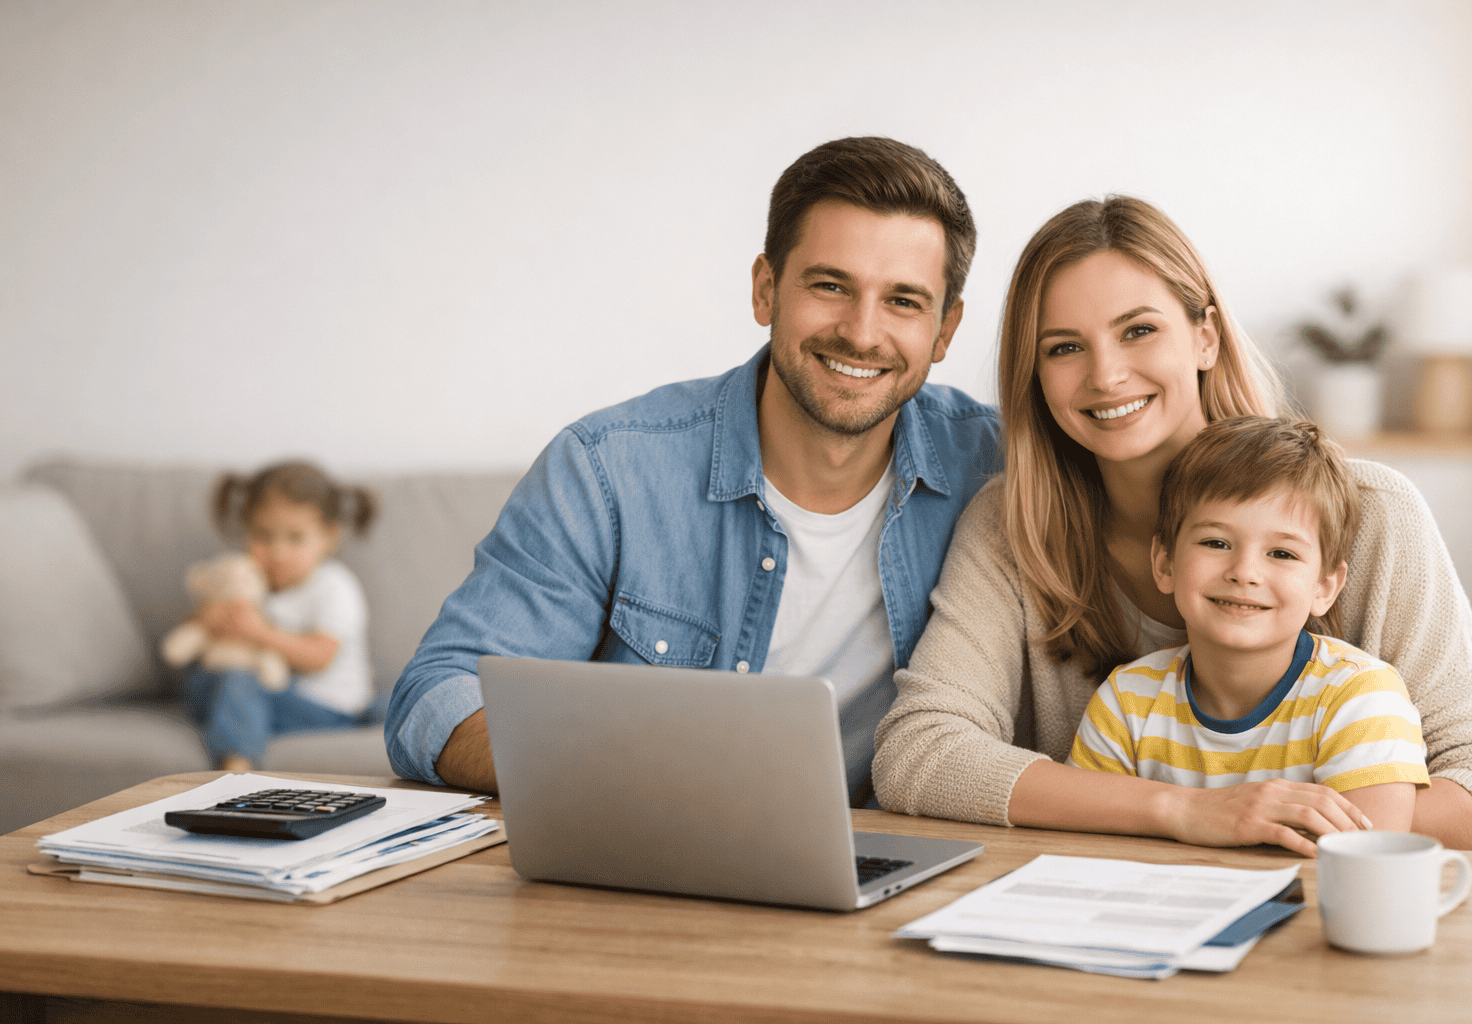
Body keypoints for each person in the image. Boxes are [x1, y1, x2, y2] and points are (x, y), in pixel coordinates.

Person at [873, 195, 1472, 854]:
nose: (1106, 375)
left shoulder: (1374, 514)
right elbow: (919, 752)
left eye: (1138, 331)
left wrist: (1284, 814)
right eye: (1065, 347)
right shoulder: (1008, 527)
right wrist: (1188, 810)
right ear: (1036, 375)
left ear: (1205, 337)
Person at [385, 137, 1001, 803]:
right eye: (830, 286)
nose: (860, 332)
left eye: (903, 302)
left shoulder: (999, 470)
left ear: (945, 331)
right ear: (766, 290)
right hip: (654, 851)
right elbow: (439, 698)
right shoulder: (608, 469)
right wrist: (646, 777)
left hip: (896, 864)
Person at [1068, 416, 1429, 833]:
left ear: (1325, 586)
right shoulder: (1124, 704)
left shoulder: (1362, 700)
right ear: (1164, 563)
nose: (1245, 572)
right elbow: (1088, 856)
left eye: (1282, 553)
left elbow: (1366, 870)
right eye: (1216, 543)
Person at [182, 460, 377, 771]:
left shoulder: (334, 586)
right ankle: (234, 714)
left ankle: (236, 769)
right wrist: (210, 620)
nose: (277, 552)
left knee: (237, 682)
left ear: (328, 538)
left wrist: (258, 634)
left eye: (295, 538)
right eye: (263, 536)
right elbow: (200, 637)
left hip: (327, 709)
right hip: (266, 694)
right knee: (204, 675)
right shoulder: (247, 580)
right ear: (246, 530)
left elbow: (319, 657)